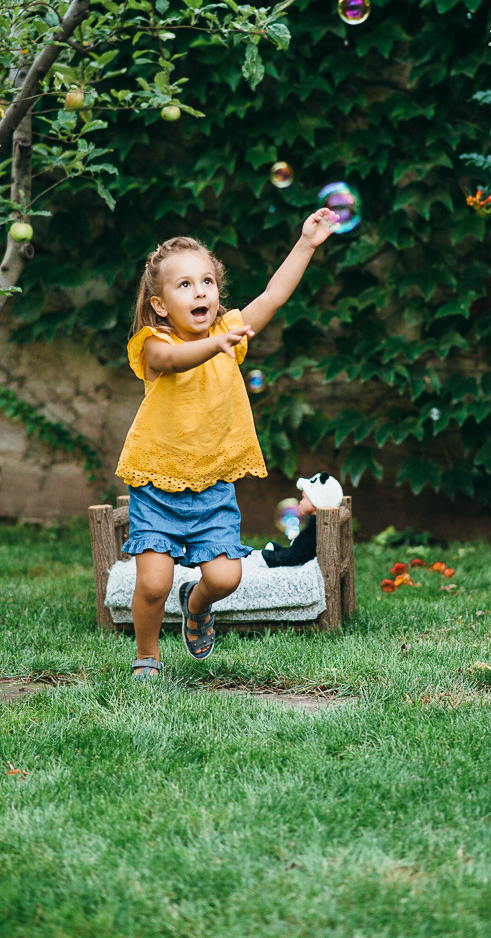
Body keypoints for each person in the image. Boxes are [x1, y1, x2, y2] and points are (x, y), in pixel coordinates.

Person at [115, 209, 338, 680]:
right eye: (185, 285)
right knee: (152, 583)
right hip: (157, 485)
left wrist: (307, 244)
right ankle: (148, 656)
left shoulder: (227, 333)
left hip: (211, 487)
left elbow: (274, 296)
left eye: (208, 282)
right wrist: (214, 347)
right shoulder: (153, 342)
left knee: (225, 577)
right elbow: (175, 360)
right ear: (159, 305)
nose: (201, 292)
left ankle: (195, 605)